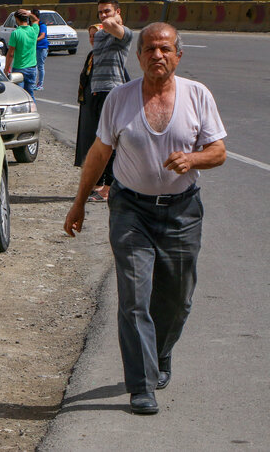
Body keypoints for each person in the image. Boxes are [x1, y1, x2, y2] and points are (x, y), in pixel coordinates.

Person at [63, 23, 226, 416]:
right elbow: (99, 154)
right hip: (130, 209)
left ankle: (160, 352)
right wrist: (79, 202)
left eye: (165, 49)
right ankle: (141, 385)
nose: (157, 55)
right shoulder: (120, 99)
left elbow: (218, 151)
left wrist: (193, 158)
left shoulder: (197, 95)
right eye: (150, 49)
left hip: (182, 211)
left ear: (178, 55)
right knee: (134, 298)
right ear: (138, 57)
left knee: (178, 299)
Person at [86, 0, 134, 201]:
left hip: (114, 91)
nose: (104, 16)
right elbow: (97, 31)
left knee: (112, 142)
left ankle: (110, 188)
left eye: (108, 11)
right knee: (101, 140)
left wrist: (106, 23)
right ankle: (102, 183)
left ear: (118, 12)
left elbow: (111, 27)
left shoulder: (124, 34)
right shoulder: (99, 37)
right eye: (100, 12)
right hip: (97, 91)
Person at [74, 24, 101, 168]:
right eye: (90, 36)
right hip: (87, 104)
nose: (92, 39)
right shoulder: (92, 55)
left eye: (96, 36)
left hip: (97, 105)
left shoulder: (106, 56)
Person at [4, 9, 38, 96]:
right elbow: (36, 20)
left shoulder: (15, 33)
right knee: (30, 94)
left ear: (17, 19)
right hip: (32, 68)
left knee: (19, 95)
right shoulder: (34, 30)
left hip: (19, 68)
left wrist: (6, 68)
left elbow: (11, 53)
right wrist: (29, 14)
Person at [32, 7, 49, 91]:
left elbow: (42, 35)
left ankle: (40, 84)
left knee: (40, 66)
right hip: (35, 48)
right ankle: (33, 83)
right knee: (34, 66)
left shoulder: (42, 25)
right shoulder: (33, 25)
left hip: (41, 48)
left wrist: (34, 40)